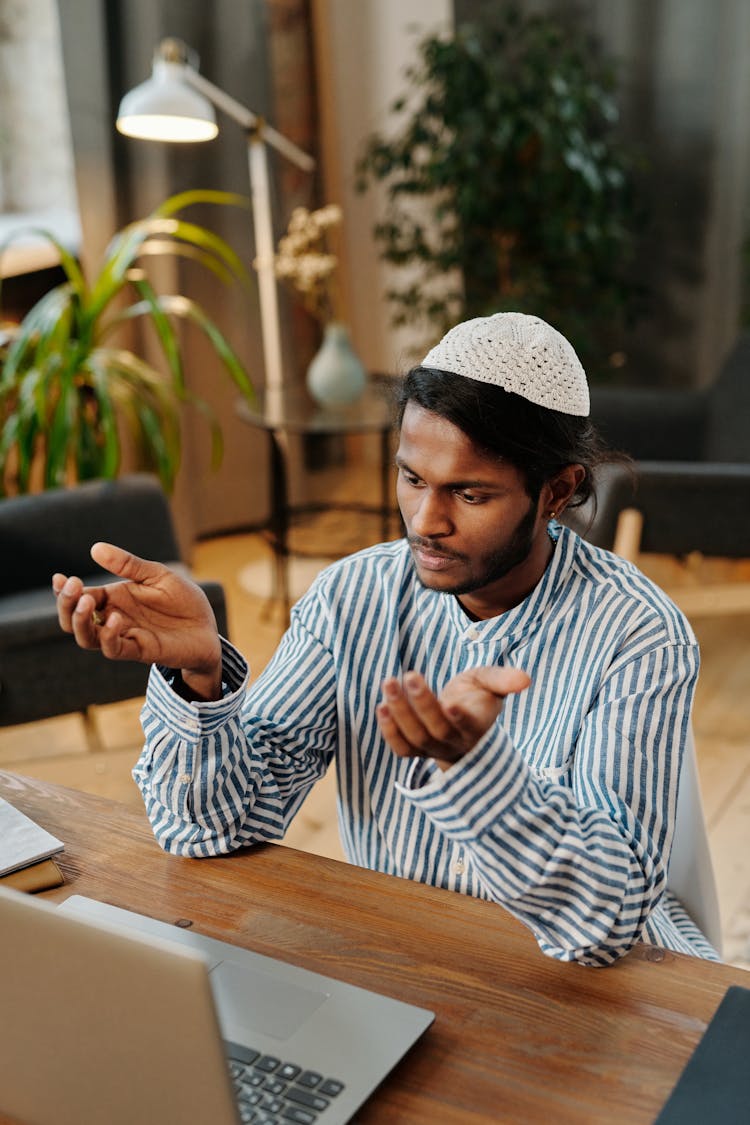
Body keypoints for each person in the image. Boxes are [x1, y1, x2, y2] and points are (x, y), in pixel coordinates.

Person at [53, 312, 716, 967]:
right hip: (407, 963)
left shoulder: (639, 634)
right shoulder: (351, 598)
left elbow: (608, 920)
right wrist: (200, 674)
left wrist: (478, 773)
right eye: (412, 478)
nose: (427, 520)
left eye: (470, 494)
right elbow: (214, 826)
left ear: (557, 491)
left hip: (599, 991)